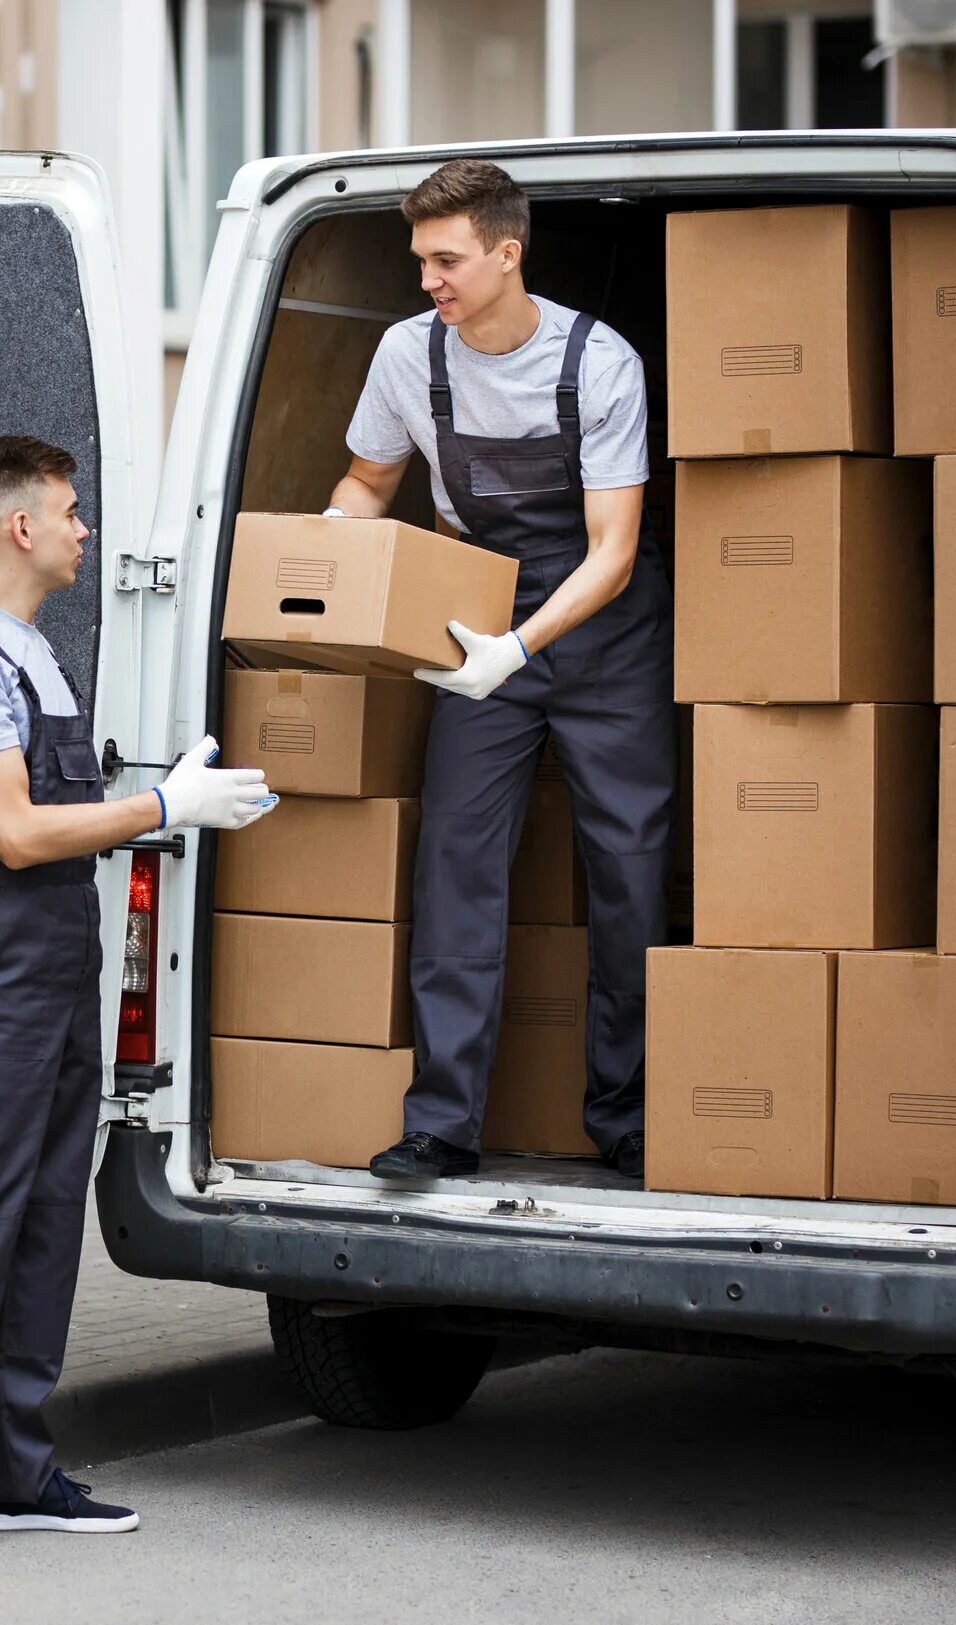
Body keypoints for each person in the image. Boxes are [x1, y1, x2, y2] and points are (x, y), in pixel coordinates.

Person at [0, 435, 276, 1573]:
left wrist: (155, 799)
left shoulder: (32, 650)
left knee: (43, 1216)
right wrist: (160, 805)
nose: (87, 529)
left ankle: (13, 1473)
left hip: (53, 948)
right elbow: (20, 831)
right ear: (21, 528)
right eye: (72, 511)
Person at [324, 159, 672, 1183]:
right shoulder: (404, 355)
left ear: (506, 252)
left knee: (630, 869)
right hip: (475, 617)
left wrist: (518, 649)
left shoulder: (598, 363)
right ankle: (441, 1123)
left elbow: (611, 551)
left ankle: (627, 1114)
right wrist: (323, 553)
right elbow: (365, 479)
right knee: (455, 869)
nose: (428, 277)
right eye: (419, 259)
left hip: (603, 633)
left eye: (447, 258)